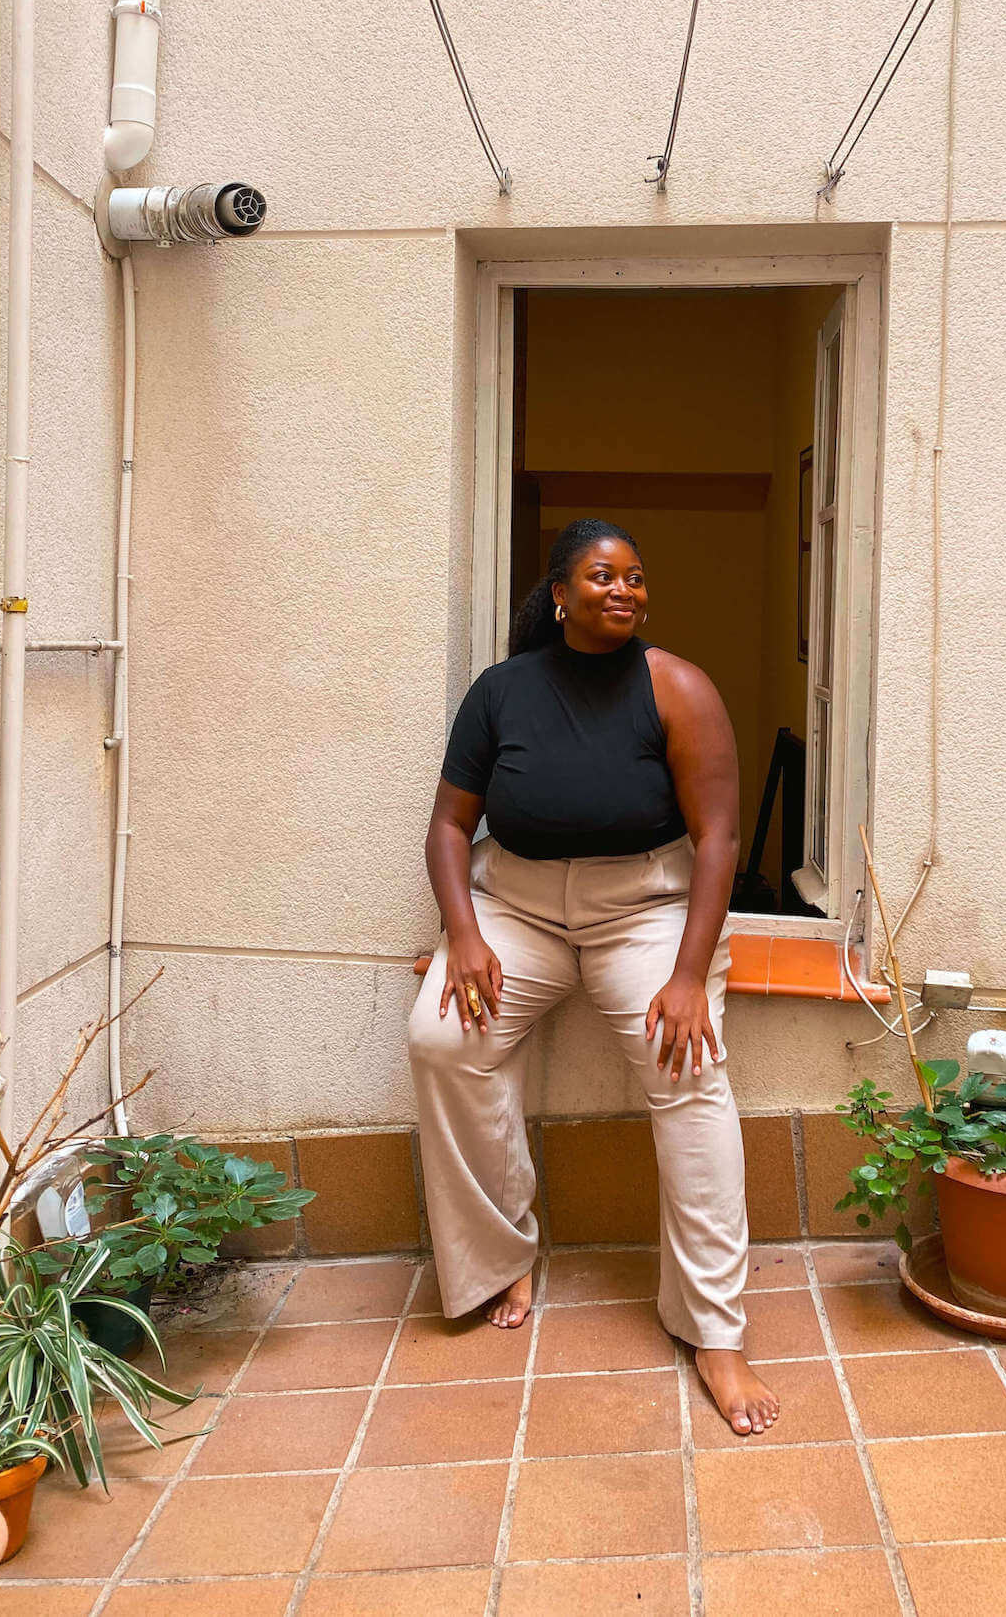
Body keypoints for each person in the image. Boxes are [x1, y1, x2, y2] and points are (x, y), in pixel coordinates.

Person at [410, 517, 778, 1437]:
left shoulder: (678, 688)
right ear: (561, 595)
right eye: (602, 576)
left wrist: (691, 973)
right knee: (444, 1037)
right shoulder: (502, 692)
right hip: (517, 906)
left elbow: (720, 840)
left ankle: (716, 1331)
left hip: (646, 907)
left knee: (687, 1071)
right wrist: (463, 933)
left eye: (637, 577)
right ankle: (501, 1256)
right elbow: (451, 826)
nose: (624, 590)